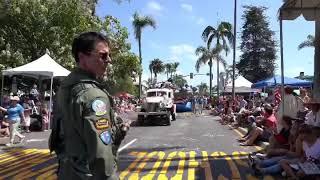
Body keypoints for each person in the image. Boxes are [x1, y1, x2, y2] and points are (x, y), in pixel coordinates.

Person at [49, 32, 129, 179]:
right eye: (103, 55)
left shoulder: (65, 88)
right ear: (82, 57)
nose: (109, 60)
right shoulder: (93, 95)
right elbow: (101, 156)